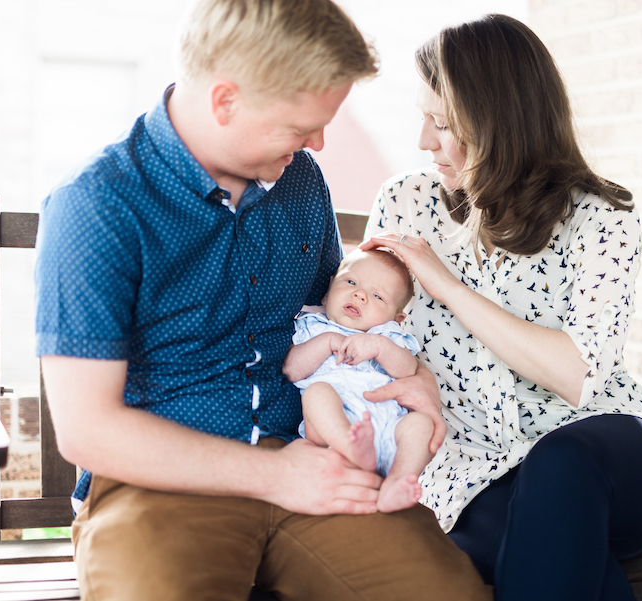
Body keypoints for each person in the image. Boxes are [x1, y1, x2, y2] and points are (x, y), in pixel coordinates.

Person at [34, 1, 491, 599]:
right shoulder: (97, 207)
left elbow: (336, 317)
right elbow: (88, 430)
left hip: (313, 452)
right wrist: (274, 476)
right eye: (302, 126)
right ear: (225, 100)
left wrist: (417, 383)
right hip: (161, 481)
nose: (319, 144)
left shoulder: (298, 178)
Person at [361, 14, 642, 601]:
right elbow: (362, 319)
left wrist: (450, 289)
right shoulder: (407, 202)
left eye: (443, 123)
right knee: (526, 543)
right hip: (474, 474)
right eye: (423, 119)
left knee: (558, 468)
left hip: (608, 458)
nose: (424, 142)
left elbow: (577, 375)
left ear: (498, 123)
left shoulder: (600, 221)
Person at [283, 249, 436, 513]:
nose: (360, 294)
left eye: (377, 296)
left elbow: (409, 370)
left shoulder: (387, 336)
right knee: (317, 393)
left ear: (396, 319)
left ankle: (397, 480)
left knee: (420, 424)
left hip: (388, 429)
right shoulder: (312, 326)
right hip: (333, 430)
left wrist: (380, 346)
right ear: (328, 290)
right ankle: (353, 451)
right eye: (351, 282)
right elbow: (291, 370)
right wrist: (326, 342)